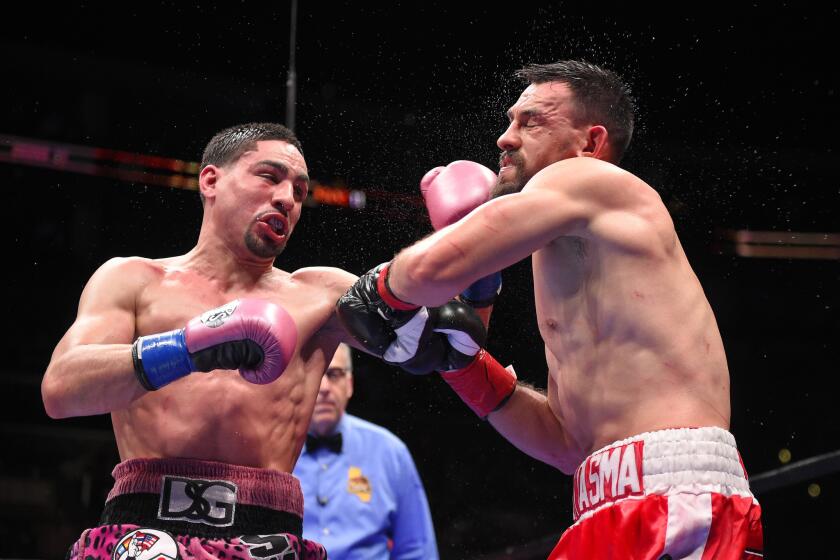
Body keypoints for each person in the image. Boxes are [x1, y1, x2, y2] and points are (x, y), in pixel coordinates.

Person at [337, 61, 764, 558]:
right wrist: (465, 368)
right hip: (604, 498)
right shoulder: (564, 253)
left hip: (677, 499)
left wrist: (377, 290)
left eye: (530, 121)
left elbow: (434, 269)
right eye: (510, 119)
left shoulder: (592, 179)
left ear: (589, 142)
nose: (504, 137)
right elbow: (566, 446)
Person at [41, 122, 364, 560]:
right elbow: (61, 391)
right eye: (270, 177)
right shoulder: (133, 280)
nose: (287, 198)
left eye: (300, 192)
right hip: (140, 529)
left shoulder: (322, 295)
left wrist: (476, 248)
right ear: (210, 180)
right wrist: (186, 348)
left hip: (268, 535)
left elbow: (439, 342)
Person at [293, 343, 438, 560]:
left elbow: (417, 549)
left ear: (349, 384)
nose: (324, 387)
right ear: (298, 386)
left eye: (334, 374)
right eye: (317, 375)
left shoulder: (390, 452)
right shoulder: (271, 455)